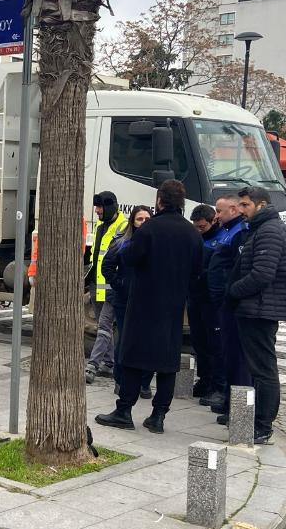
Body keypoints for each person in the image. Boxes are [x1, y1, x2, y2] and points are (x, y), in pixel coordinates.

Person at [95, 180, 202, 434]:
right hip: (173, 305)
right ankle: (158, 416)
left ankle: (124, 410)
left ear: (159, 201)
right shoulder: (192, 233)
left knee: (133, 358)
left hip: (143, 302)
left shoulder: (150, 228)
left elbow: (130, 257)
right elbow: (197, 271)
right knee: (167, 362)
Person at [228, 186, 286, 444]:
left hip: (262, 309)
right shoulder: (262, 228)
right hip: (259, 307)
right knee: (260, 368)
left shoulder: (269, 230)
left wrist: (233, 291)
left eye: (245, 205)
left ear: (261, 205)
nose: (241, 210)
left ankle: (262, 426)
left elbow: (262, 274)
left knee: (264, 370)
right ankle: (258, 422)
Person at [99, 206, 154, 400]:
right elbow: (107, 266)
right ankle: (120, 380)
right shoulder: (122, 242)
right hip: (125, 299)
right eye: (140, 219)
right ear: (133, 221)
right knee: (124, 340)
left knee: (148, 342)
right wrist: (119, 284)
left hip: (148, 300)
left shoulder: (156, 243)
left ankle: (144, 383)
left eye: (147, 219)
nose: (144, 222)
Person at [206, 194, 251, 421]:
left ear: (233, 210)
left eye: (219, 211)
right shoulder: (227, 230)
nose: (216, 215)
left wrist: (226, 294)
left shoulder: (239, 232)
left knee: (236, 357)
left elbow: (235, 268)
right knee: (227, 354)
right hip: (222, 300)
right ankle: (228, 401)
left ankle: (236, 408)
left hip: (230, 301)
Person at [84, 192, 128, 383]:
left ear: (109, 207)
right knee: (104, 327)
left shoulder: (123, 226)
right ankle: (109, 363)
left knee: (103, 326)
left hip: (112, 288)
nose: (96, 211)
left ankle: (92, 366)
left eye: (99, 207)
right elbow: (95, 256)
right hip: (97, 285)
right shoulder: (100, 226)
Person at [187, 203, 224, 407]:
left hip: (211, 299)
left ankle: (217, 385)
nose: (199, 230)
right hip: (195, 296)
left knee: (215, 343)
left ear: (212, 222)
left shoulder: (220, 239)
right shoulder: (196, 238)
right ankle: (204, 379)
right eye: (196, 226)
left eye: (202, 227)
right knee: (199, 341)